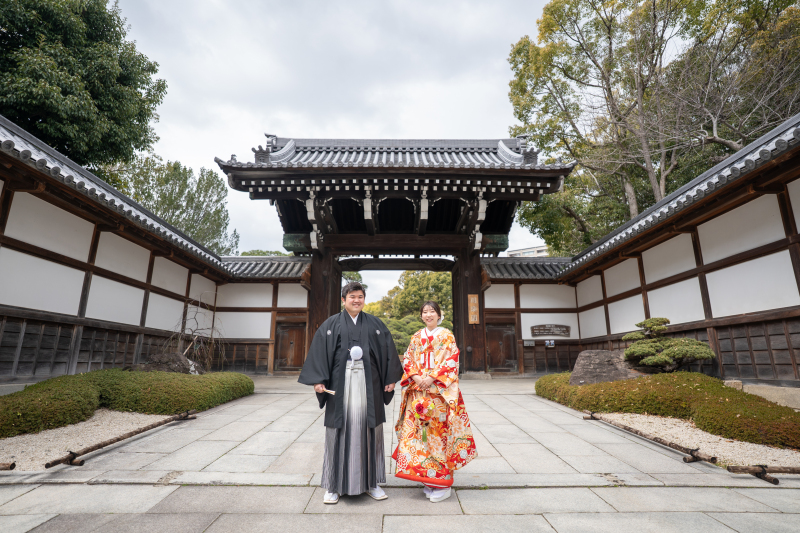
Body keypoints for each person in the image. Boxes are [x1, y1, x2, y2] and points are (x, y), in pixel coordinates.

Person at [298, 281, 404, 504]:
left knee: (370, 431)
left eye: (360, 296)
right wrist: (318, 380)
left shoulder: (375, 324)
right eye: (352, 296)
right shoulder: (332, 324)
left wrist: (390, 379)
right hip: (340, 385)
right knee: (337, 431)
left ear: (364, 300)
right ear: (343, 300)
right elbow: (318, 352)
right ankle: (333, 486)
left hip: (370, 385)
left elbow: (388, 352)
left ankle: (372, 483)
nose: (357, 300)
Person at [393, 300, 477, 502]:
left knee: (438, 436)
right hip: (418, 393)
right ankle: (427, 479)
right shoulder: (416, 337)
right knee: (418, 436)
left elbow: (451, 361)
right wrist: (416, 378)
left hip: (439, 393)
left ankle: (443, 482)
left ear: (439, 315)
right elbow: (408, 360)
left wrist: (430, 378)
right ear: (421, 316)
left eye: (432, 311)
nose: (428, 315)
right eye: (425, 312)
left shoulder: (447, 335)